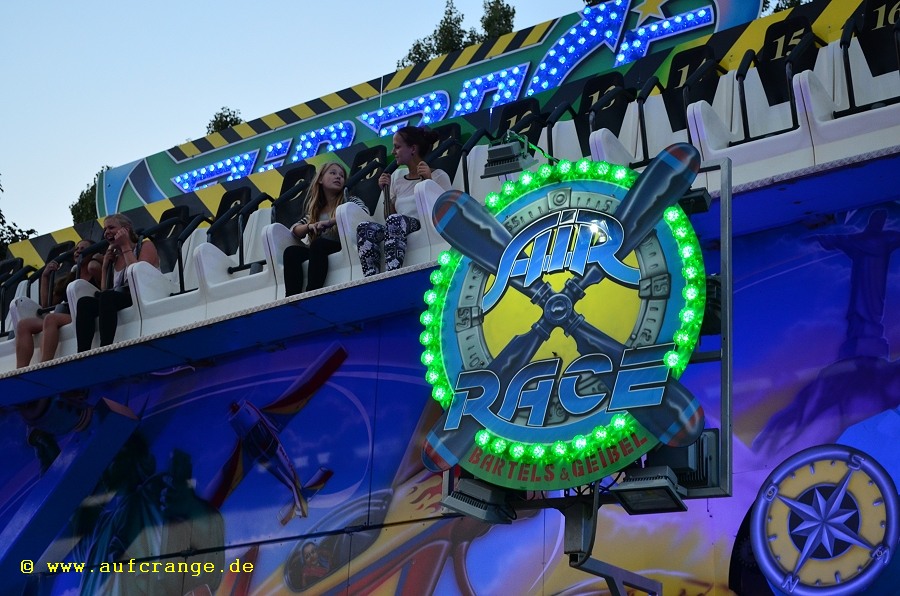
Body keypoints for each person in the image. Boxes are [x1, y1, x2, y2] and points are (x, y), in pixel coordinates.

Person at [356, 126, 452, 276]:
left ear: (412, 149)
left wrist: (428, 181)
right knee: (364, 228)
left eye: (397, 147)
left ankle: (392, 274)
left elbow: (447, 211)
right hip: (398, 225)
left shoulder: (439, 176)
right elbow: (389, 217)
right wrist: (385, 191)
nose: (393, 152)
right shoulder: (398, 179)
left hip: (423, 224)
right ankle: (371, 277)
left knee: (395, 221)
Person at [75, 214, 159, 352]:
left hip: (143, 293)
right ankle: (82, 352)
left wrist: (125, 245)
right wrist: (105, 267)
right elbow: (104, 290)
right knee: (84, 302)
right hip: (119, 297)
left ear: (126, 229)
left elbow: (139, 277)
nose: (106, 232)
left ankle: (105, 347)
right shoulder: (115, 256)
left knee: (108, 297)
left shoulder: (145, 245)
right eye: (105, 229)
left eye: (111, 228)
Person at [284, 162, 368, 295]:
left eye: (341, 176)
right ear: (320, 179)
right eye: (333, 173)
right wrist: (310, 226)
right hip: (318, 249)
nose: (338, 177)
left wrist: (330, 222)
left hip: (342, 245)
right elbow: (294, 230)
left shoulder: (349, 200)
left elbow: (363, 212)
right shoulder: (316, 211)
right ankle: (291, 298)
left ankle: (312, 292)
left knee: (318, 244)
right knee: (291, 252)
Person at [15, 239, 101, 367]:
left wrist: (97, 260)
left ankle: (45, 364)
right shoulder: (70, 278)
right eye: (76, 249)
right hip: (67, 316)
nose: (78, 252)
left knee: (51, 319)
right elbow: (47, 305)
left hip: (84, 316)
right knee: (23, 325)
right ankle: (20, 370)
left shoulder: (96, 271)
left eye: (83, 249)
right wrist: (45, 277)